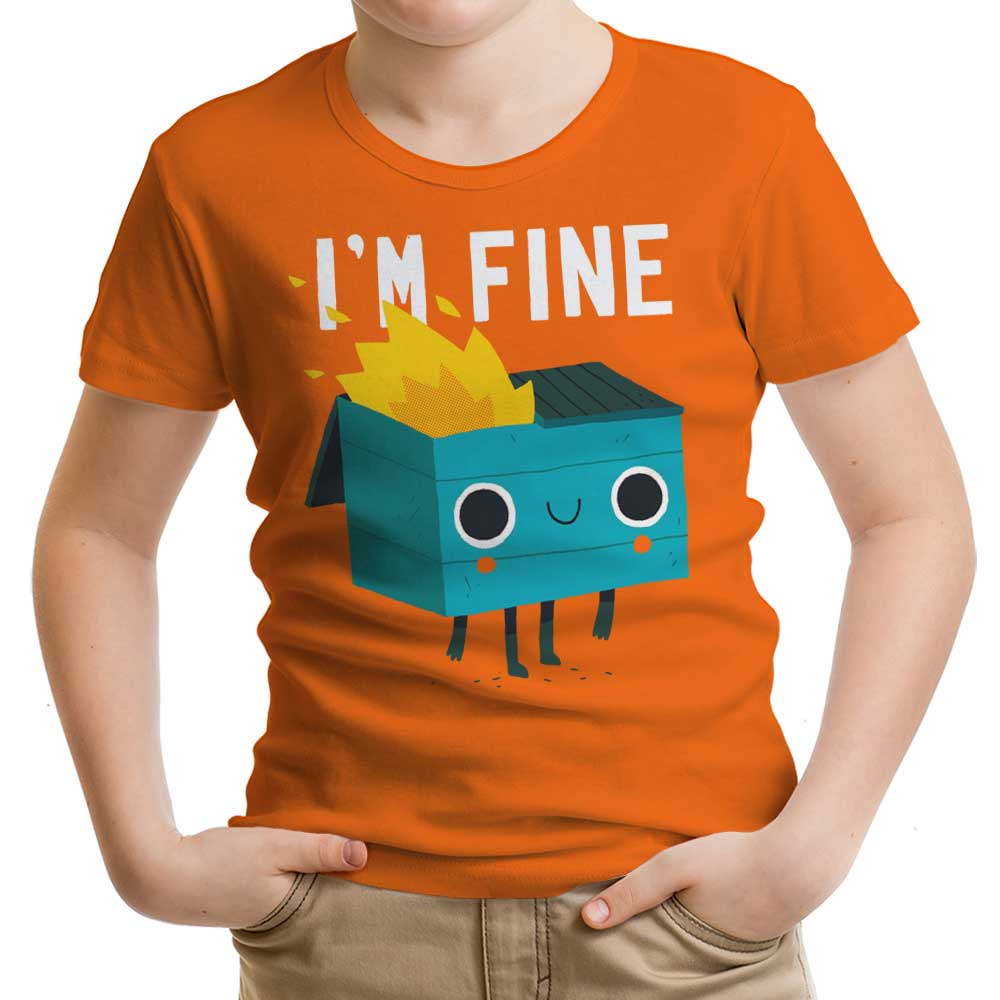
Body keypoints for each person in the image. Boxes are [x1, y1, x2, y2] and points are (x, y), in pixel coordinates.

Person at [33, 2, 975, 997]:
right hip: (348, 922)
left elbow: (911, 511)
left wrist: (814, 843)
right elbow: (98, 528)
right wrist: (142, 854)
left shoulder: (743, 134)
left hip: (684, 920)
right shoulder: (214, 170)